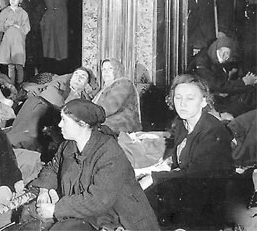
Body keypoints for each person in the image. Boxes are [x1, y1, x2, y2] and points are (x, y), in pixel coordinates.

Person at [24, 99, 159, 231]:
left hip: (119, 219)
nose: (59, 125)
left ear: (82, 124)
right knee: (29, 214)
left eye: (64, 120)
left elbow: (98, 200)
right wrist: (44, 190)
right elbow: (53, 168)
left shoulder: (109, 153)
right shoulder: (68, 146)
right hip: (88, 215)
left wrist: (56, 209)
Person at [142, 74, 234, 228]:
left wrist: (153, 177)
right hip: (187, 187)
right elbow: (177, 162)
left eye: (190, 98)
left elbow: (196, 173)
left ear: (203, 101)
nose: (182, 104)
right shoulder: (182, 123)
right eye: (178, 97)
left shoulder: (213, 130)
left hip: (208, 199)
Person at [7, 67, 94, 154]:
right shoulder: (61, 85)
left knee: (38, 104)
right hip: (50, 110)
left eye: (83, 76)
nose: (78, 77)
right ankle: (18, 139)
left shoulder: (83, 100)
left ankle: (19, 141)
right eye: (76, 74)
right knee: (34, 102)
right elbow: (51, 92)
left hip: (61, 119)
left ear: (87, 84)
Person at [189, 35, 257, 117]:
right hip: (208, 101)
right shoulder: (202, 62)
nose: (225, 56)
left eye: (228, 54)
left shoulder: (215, 57)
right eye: (222, 52)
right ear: (216, 48)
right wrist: (243, 82)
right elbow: (216, 85)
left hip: (217, 96)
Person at [92, 58, 141, 134]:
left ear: (117, 69)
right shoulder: (104, 89)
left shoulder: (123, 83)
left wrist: (89, 116)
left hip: (121, 128)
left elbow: (110, 107)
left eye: (110, 68)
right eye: (104, 69)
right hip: (108, 127)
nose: (106, 72)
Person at [14, 0, 45, 79]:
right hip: (16, 24)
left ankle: (31, 79)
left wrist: (31, 22)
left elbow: (40, 7)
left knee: (30, 54)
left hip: (29, 25)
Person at [39, 0, 69, 71]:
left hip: (62, 18)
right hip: (49, 18)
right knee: (49, 47)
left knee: (61, 47)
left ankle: (60, 71)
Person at [0, 0, 30, 86]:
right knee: (10, 65)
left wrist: (18, 26)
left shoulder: (23, 13)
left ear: (20, 0)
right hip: (8, 41)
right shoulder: (4, 12)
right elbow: (0, 27)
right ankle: (12, 86)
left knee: (19, 64)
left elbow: (27, 28)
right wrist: (6, 24)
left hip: (18, 41)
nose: (13, 0)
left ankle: (20, 85)